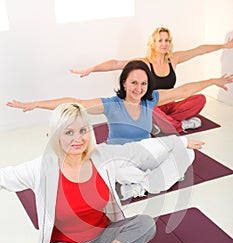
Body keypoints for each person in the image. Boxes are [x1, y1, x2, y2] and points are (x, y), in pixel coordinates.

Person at [0, 103, 158, 243]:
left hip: (103, 237)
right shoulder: (41, 167)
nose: (78, 138)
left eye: (83, 130)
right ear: (56, 136)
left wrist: (181, 144)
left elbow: (136, 150)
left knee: (146, 224)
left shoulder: (101, 157)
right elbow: (4, 177)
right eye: (69, 132)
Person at [7, 60, 233, 143]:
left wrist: (214, 80)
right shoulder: (111, 104)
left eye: (143, 84)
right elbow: (76, 102)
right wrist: (36, 104)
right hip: (119, 155)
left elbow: (184, 89)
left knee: (185, 154)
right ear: (124, 82)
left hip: (145, 150)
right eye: (134, 83)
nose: (139, 89)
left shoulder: (150, 100)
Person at [70, 26, 233, 133]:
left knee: (200, 99)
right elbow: (117, 63)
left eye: (167, 40)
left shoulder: (173, 59)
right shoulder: (144, 63)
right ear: (153, 43)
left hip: (169, 105)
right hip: (152, 106)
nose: (164, 44)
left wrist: (224, 46)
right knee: (149, 108)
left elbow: (199, 50)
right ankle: (179, 125)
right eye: (160, 40)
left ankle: (162, 124)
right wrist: (91, 69)